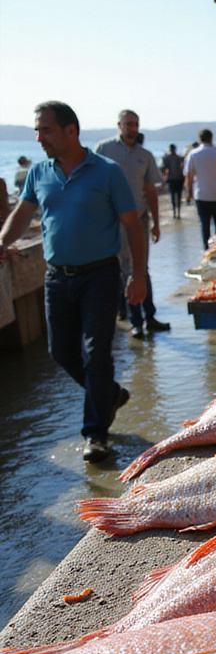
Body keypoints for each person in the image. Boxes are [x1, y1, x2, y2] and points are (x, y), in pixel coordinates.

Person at [0, 101, 144, 463]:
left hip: (100, 275)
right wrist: (2, 241)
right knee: (61, 352)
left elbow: (132, 225)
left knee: (97, 353)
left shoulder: (107, 172)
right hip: (56, 278)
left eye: (46, 131)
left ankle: (96, 434)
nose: (39, 139)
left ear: (71, 131)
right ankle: (110, 394)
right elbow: (22, 215)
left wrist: (138, 275)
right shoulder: (39, 172)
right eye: (37, 131)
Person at [95, 109, 170, 337]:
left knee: (141, 267)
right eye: (128, 124)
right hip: (113, 221)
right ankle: (133, 319)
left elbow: (150, 191)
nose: (132, 128)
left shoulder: (145, 156)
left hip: (139, 219)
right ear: (119, 126)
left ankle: (149, 316)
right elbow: (93, 184)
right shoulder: (104, 150)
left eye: (135, 124)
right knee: (123, 268)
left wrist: (156, 222)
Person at [184, 129, 216, 249]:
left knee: (204, 224)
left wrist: (189, 193)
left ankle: (207, 249)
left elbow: (189, 175)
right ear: (211, 138)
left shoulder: (193, 154)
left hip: (201, 193)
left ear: (199, 139)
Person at [161, 144, 185, 219]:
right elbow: (183, 168)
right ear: (175, 149)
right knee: (179, 196)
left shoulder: (166, 158)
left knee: (172, 195)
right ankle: (178, 212)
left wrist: (163, 177)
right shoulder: (180, 158)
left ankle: (174, 212)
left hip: (171, 179)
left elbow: (164, 169)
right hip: (179, 179)